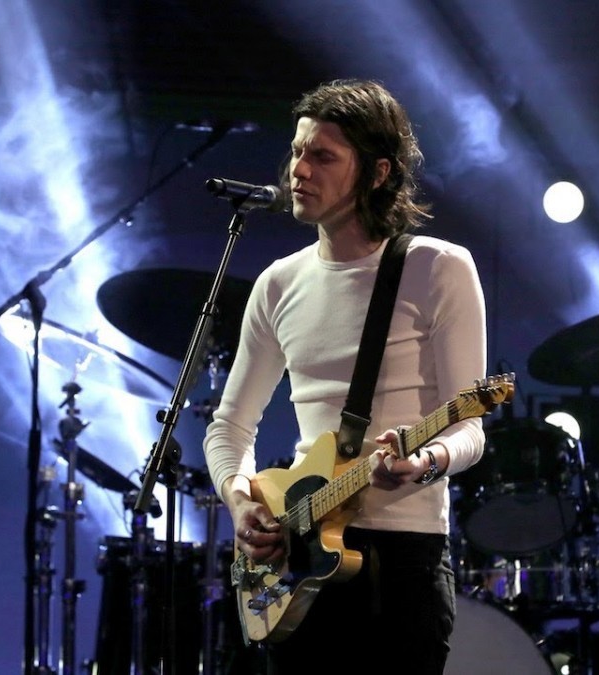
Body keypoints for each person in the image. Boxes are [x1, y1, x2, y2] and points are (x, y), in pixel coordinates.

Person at [202, 78, 488, 675]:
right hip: (299, 555)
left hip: (402, 558)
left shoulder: (438, 268)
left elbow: (470, 427)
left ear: (379, 172)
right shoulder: (278, 283)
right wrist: (240, 501)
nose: (299, 170)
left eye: (323, 156)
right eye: (297, 151)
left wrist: (426, 460)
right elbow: (229, 426)